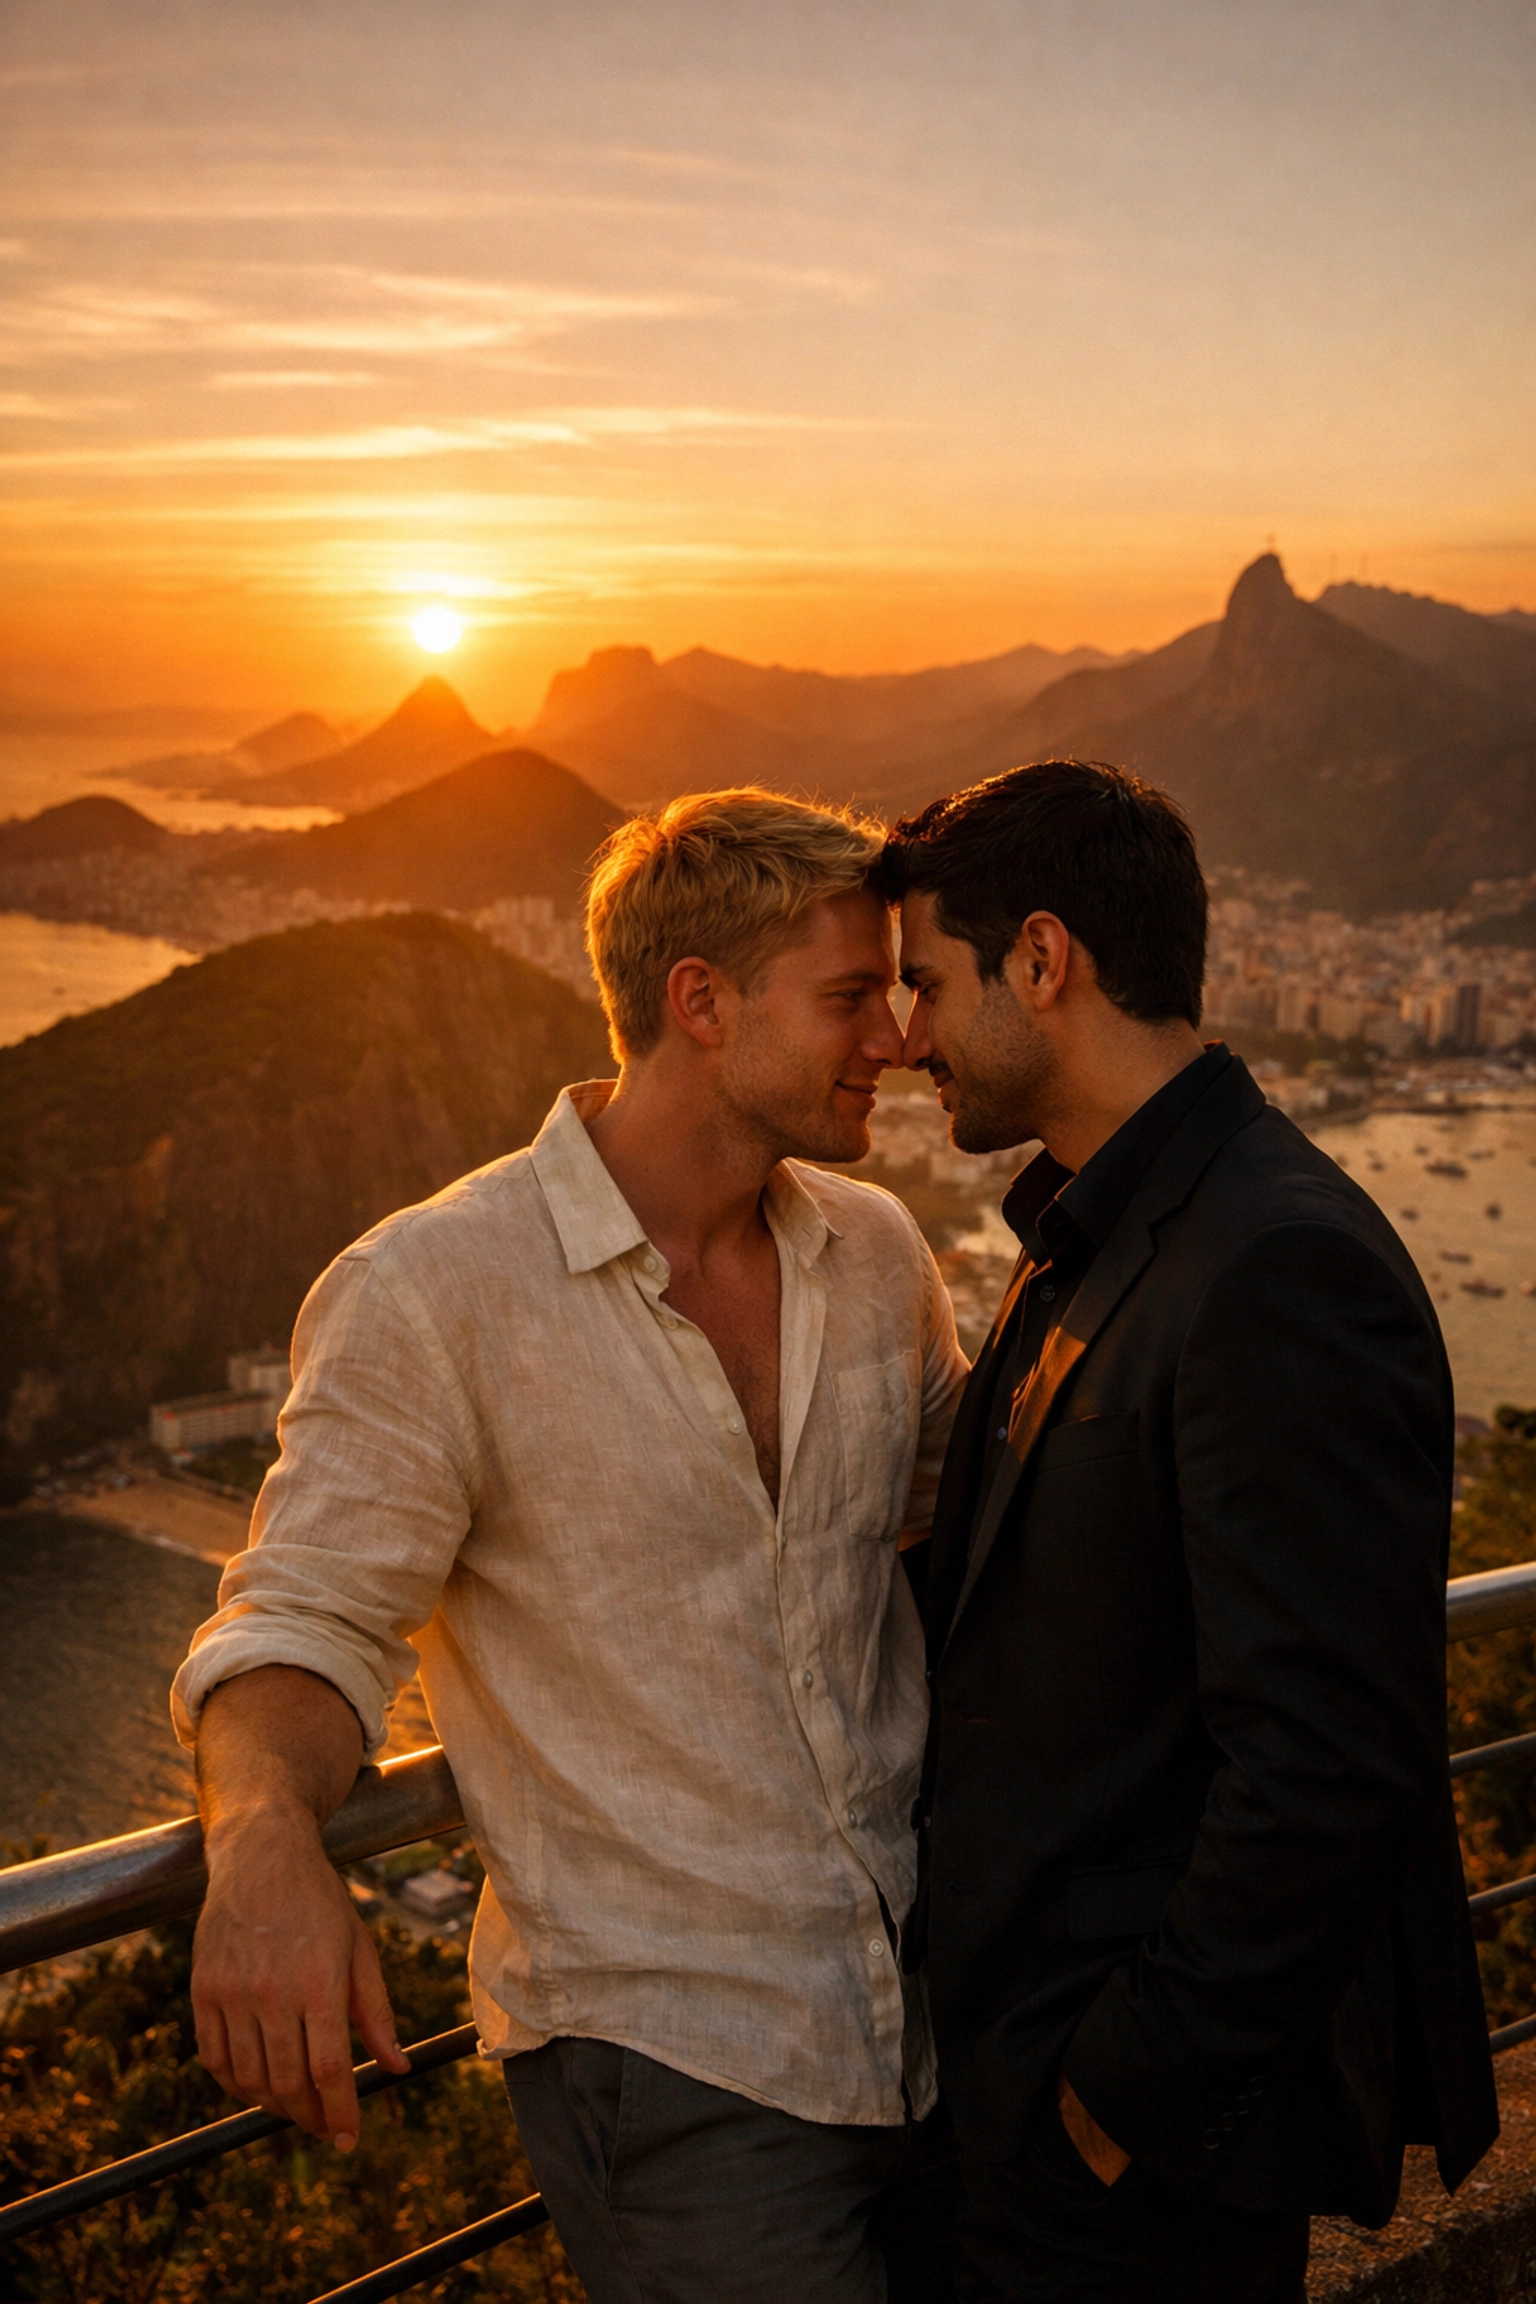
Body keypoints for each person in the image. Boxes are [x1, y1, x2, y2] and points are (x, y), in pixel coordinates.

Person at [172, 788, 970, 2304]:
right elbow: (305, 1616)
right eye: (853, 996)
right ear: (703, 1004)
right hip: (677, 2071)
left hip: (942, 2018)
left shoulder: (875, 1255)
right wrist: (265, 1836)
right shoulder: (431, 1291)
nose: (899, 1038)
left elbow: (965, 1546)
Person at [875, 759, 1498, 2304]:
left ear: (1042, 958)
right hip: (1013, 2105)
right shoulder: (1099, 1224)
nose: (903, 1037)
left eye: (926, 983)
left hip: (1129, 2166)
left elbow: (1332, 1764)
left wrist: (1117, 2103)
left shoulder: (1277, 1266)